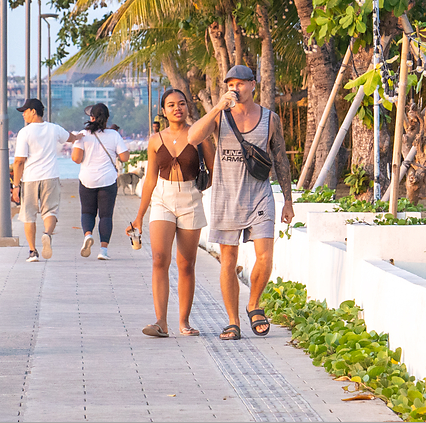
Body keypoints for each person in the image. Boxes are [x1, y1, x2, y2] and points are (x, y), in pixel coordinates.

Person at [188, 64, 293, 341]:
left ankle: (254, 303)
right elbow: (193, 137)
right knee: (228, 260)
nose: (235, 88)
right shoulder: (220, 116)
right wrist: (215, 108)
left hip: (260, 194)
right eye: (231, 83)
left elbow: (280, 159)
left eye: (241, 83)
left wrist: (288, 201)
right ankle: (233, 321)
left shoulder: (270, 119)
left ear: (253, 85)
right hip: (226, 195)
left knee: (265, 256)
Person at [132, 89, 214, 337]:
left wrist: (199, 188)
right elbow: (149, 181)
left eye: (181, 103)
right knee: (159, 258)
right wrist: (138, 216)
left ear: (187, 107)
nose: (177, 108)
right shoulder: (156, 140)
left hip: (190, 198)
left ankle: (184, 322)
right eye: (171, 105)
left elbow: (213, 171)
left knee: (186, 264)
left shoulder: (199, 135)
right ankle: (161, 322)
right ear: (164, 111)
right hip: (162, 199)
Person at [11, 98, 80, 262]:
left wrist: (15, 185)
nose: (23, 115)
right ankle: (47, 234)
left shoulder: (25, 133)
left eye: (25, 111)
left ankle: (33, 252)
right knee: (51, 212)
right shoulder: (54, 128)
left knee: (29, 216)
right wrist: (79, 136)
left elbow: (19, 161)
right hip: (51, 177)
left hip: (30, 179)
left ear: (33, 111)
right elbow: (70, 137)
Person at [71, 103, 130, 261]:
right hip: (108, 180)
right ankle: (103, 251)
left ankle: (88, 235)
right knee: (105, 216)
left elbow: (76, 159)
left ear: (92, 118)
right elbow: (124, 157)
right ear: (107, 118)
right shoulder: (114, 135)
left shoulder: (83, 135)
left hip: (87, 179)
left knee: (87, 212)